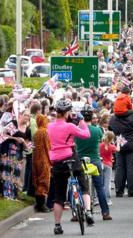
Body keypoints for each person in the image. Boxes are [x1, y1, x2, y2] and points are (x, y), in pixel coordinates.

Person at [47, 99, 93, 235]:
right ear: (67, 113)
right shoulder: (70, 127)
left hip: (57, 160)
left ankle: (57, 225)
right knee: (83, 185)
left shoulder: (49, 126)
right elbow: (86, 134)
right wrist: (81, 121)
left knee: (59, 196)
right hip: (71, 157)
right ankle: (88, 211)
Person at [74, 106, 112, 220]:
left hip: (80, 160)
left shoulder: (77, 130)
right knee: (99, 187)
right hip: (95, 160)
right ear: (92, 117)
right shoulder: (98, 130)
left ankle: (76, 212)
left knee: (78, 186)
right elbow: (101, 142)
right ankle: (105, 212)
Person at [109, 99, 133, 197]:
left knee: (120, 167)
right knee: (131, 167)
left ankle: (119, 190)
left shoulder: (113, 118)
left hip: (119, 143)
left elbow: (111, 130)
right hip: (132, 144)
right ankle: (132, 189)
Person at [32, 114, 52, 213]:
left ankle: (38, 203)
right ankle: (41, 204)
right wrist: (51, 160)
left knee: (37, 179)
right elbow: (48, 147)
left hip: (36, 159)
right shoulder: (44, 132)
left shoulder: (36, 133)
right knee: (44, 181)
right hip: (44, 159)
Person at [99, 131, 118, 206]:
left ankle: (99, 199)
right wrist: (118, 143)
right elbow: (118, 150)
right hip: (108, 165)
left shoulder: (100, 145)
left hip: (101, 164)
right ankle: (108, 199)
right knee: (107, 183)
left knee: (101, 183)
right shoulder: (112, 146)